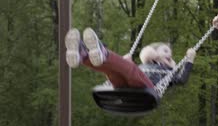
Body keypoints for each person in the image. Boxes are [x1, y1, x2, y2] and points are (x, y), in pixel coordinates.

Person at [65, 27, 196, 91]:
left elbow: (181, 80)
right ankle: (83, 57)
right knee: (112, 71)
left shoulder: (168, 73)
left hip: (146, 90)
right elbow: (131, 72)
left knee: (129, 67)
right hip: (123, 87)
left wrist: (189, 61)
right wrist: (125, 62)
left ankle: (103, 53)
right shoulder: (144, 66)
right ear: (153, 53)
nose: (170, 55)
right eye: (165, 51)